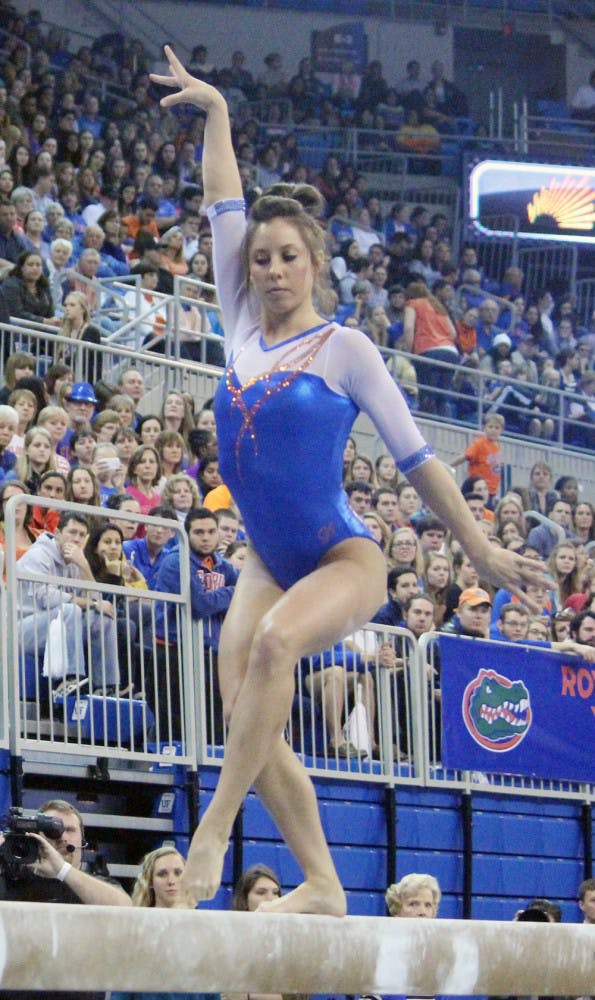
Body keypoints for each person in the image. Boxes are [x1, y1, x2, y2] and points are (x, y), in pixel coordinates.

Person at [150, 47, 548, 914]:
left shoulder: (346, 350)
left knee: (270, 649)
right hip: (265, 557)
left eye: (288, 257)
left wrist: (477, 548)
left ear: (314, 262)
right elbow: (224, 202)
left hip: (342, 555)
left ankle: (214, 827)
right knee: (245, 707)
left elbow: (419, 460)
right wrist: (217, 112)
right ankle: (325, 884)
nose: (272, 270)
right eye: (260, 260)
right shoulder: (241, 330)